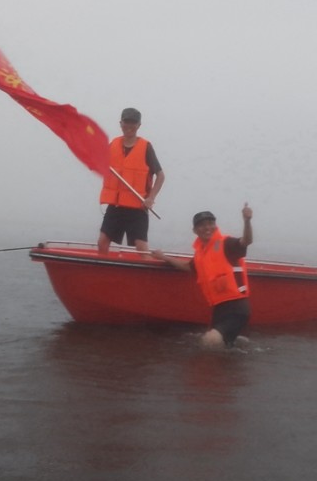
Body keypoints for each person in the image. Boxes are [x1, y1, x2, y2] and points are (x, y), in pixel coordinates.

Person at [152, 204, 253, 349]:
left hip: (236, 308)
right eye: (202, 225)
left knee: (209, 342)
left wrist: (247, 221)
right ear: (195, 230)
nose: (207, 228)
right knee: (224, 348)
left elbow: (246, 241)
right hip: (218, 309)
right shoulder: (200, 253)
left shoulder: (227, 243)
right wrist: (165, 258)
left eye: (211, 223)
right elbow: (188, 267)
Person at [97, 107, 165, 253]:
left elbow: (160, 175)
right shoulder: (113, 145)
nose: (129, 126)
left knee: (141, 247)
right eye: (126, 122)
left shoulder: (146, 147)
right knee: (102, 242)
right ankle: (104, 274)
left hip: (137, 207)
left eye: (133, 123)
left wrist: (151, 198)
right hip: (116, 206)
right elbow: (100, 163)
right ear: (120, 123)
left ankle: (148, 273)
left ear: (139, 125)